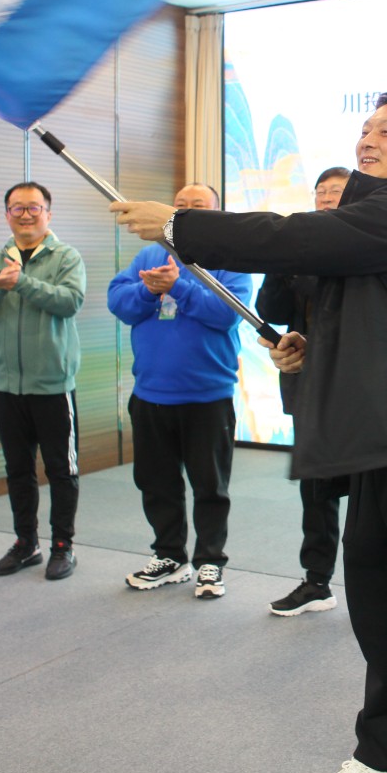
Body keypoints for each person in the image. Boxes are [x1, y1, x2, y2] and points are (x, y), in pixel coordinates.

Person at [113, 92, 387, 773]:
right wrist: (310, 350)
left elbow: (288, 237)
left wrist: (178, 224)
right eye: (365, 128)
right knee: (383, 625)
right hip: (379, 455)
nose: (368, 139)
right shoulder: (378, 235)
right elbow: (385, 334)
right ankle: (383, 760)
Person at [107, 183, 251, 600]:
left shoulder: (230, 258)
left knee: (210, 486)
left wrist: (177, 287)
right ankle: (169, 556)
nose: (188, 211)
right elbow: (119, 302)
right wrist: (147, 289)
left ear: (216, 213)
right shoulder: (150, 254)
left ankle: (210, 561)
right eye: (181, 205)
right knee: (156, 483)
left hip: (207, 396)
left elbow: (227, 314)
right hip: (150, 394)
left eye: (198, 206)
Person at [0, 182, 86, 581]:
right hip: (6, 387)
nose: (26, 215)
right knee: (17, 469)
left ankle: (63, 546)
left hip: (53, 386)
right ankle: (26, 543)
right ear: (7, 215)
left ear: (48, 213)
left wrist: (22, 283)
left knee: (60, 470)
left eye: (34, 208)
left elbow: (70, 301)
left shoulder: (66, 257)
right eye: (17, 208)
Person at [257, 166, 352, 617]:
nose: (326, 198)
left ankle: (380, 583)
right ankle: (317, 581)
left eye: (336, 191)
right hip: (308, 386)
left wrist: (298, 267)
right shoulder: (300, 248)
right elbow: (270, 309)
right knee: (316, 493)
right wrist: (280, 264)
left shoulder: (364, 246)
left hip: (359, 391)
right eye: (321, 192)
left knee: (369, 493)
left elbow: (340, 302)